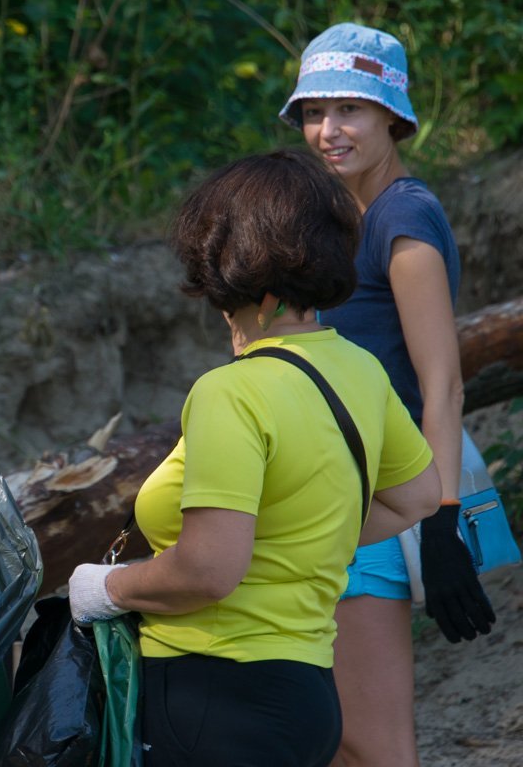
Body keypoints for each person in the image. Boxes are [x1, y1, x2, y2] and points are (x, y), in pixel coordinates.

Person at [67, 150, 442, 766]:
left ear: (231, 270)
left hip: (214, 695)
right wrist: (289, 539)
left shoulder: (231, 392)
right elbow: (417, 495)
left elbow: (209, 572)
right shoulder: (360, 369)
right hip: (309, 693)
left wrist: (105, 587)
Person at [279, 22, 496, 765]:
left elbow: (442, 383)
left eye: (350, 111)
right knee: (333, 738)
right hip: (329, 489)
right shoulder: (338, 218)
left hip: (382, 499)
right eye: (315, 112)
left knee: (374, 743)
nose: (328, 131)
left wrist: (440, 523)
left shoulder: (403, 222)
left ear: (392, 116)